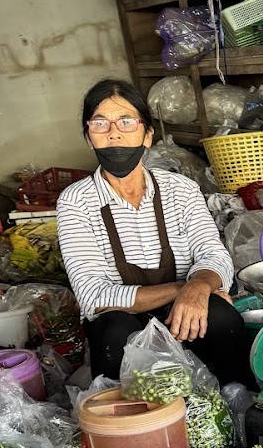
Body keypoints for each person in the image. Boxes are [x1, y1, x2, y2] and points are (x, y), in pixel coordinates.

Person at [57, 79, 252, 385]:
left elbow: (214, 255)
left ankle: (239, 403)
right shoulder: (75, 201)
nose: (114, 133)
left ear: (147, 134)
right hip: (123, 321)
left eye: (126, 121)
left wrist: (200, 288)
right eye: (100, 123)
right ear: (88, 137)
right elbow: (93, 295)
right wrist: (187, 290)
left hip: (182, 319)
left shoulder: (181, 189)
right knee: (113, 330)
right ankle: (130, 423)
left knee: (221, 317)